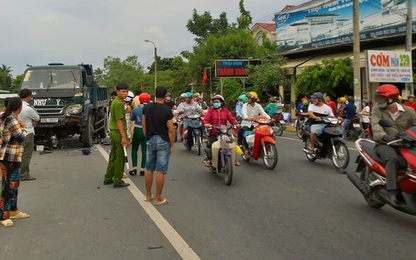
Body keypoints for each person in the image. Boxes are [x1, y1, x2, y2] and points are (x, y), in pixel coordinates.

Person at [371, 84, 416, 206]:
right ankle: (392, 192)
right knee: (392, 159)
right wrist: (384, 136)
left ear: (391, 99)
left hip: (405, 145)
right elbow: (375, 125)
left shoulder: (409, 112)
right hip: (385, 144)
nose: (377, 100)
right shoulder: (377, 110)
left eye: (380, 98)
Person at [142, 86, 174, 205]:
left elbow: (144, 125)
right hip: (163, 140)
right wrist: (172, 145)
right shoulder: (167, 110)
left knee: (149, 168)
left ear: (154, 94)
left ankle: (148, 194)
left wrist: (148, 137)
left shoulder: (147, 107)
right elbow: (171, 130)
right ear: (166, 95)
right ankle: (158, 198)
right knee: (161, 169)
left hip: (150, 139)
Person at [0, 97, 29, 227]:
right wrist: (24, 127)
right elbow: (20, 137)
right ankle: (3, 215)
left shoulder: (11, 117)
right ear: (20, 108)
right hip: (8, 157)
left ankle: (13, 210)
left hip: (14, 156)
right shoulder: (11, 119)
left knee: (14, 184)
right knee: (7, 186)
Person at [103, 83, 130, 188]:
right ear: (118, 91)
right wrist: (124, 136)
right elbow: (119, 121)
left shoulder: (117, 102)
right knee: (120, 158)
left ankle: (108, 177)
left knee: (113, 156)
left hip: (113, 132)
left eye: (127, 91)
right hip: (118, 132)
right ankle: (118, 180)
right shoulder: (118, 103)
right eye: (123, 91)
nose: (125, 93)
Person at [202, 95, 239, 167]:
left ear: (221, 102)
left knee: (232, 144)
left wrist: (236, 124)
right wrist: (207, 124)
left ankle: (234, 159)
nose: (215, 103)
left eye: (217, 102)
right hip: (213, 132)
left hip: (224, 132)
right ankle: (209, 160)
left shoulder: (226, 111)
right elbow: (205, 120)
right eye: (214, 102)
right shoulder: (210, 111)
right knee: (211, 145)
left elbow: (231, 119)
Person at [18, 89, 40, 181]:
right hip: (28, 133)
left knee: (19, 154)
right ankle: (24, 174)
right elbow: (37, 118)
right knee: (27, 154)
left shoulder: (16, 106)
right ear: (28, 96)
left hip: (17, 133)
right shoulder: (28, 108)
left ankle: (16, 173)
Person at [241, 91, 270, 157]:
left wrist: (269, 118)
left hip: (255, 124)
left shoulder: (258, 106)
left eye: (249, 98)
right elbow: (244, 112)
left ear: (253, 99)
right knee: (245, 132)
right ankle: (246, 150)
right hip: (246, 123)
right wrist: (246, 117)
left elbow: (264, 113)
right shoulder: (244, 105)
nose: (247, 99)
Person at [129, 93, 150, 176]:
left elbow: (132, 118)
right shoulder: (150, 109)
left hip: (137, 129)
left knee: (134, 148)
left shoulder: (136, 110)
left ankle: (134, 167)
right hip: (147, 130)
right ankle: (142, 168)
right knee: (144, 150)